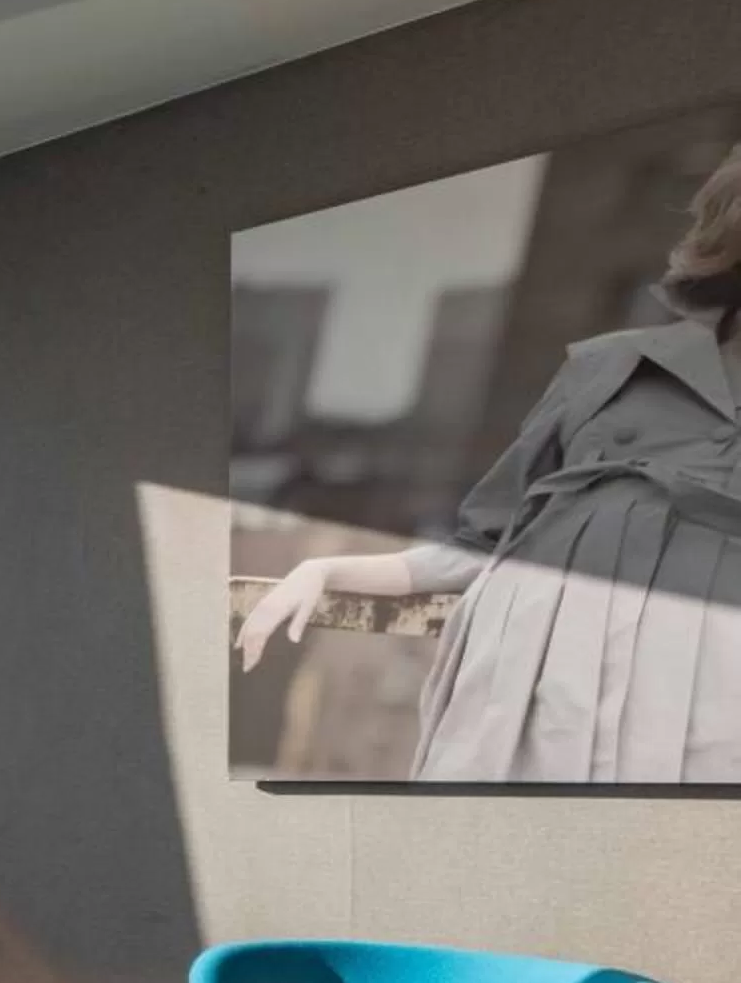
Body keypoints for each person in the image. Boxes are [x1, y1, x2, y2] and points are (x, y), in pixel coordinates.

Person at [239, 142, 741, 782]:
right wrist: (328, 568)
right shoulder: (611, 368)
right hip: (530, 708)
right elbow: (486, 541)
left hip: (706, 723)